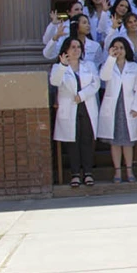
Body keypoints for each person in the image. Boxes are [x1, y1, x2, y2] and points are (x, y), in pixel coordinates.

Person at [50, 37, 101, 188]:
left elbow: (96, 83)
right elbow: (54, 82)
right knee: (72, 142)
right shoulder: (58, 67)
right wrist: (62, 66)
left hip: (86, 105)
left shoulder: (89, 65)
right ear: (65, 50)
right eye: (73, 47)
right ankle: (75, 174)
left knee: (86, 140)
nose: (76, 49)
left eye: (78, 47)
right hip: (69, 107)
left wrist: (83, 95)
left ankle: (88, 173)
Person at [97, 37, 137, 184]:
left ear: (126, 50)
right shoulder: (108, 65)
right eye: (115, 48)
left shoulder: (134, 67)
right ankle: (117, 171)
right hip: (114, 107)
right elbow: (103, 77)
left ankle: (129, 169)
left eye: (121, 48)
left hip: (129, 107)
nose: (119, 51)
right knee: (115, 142)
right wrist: (110, 58)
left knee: (128, 141)